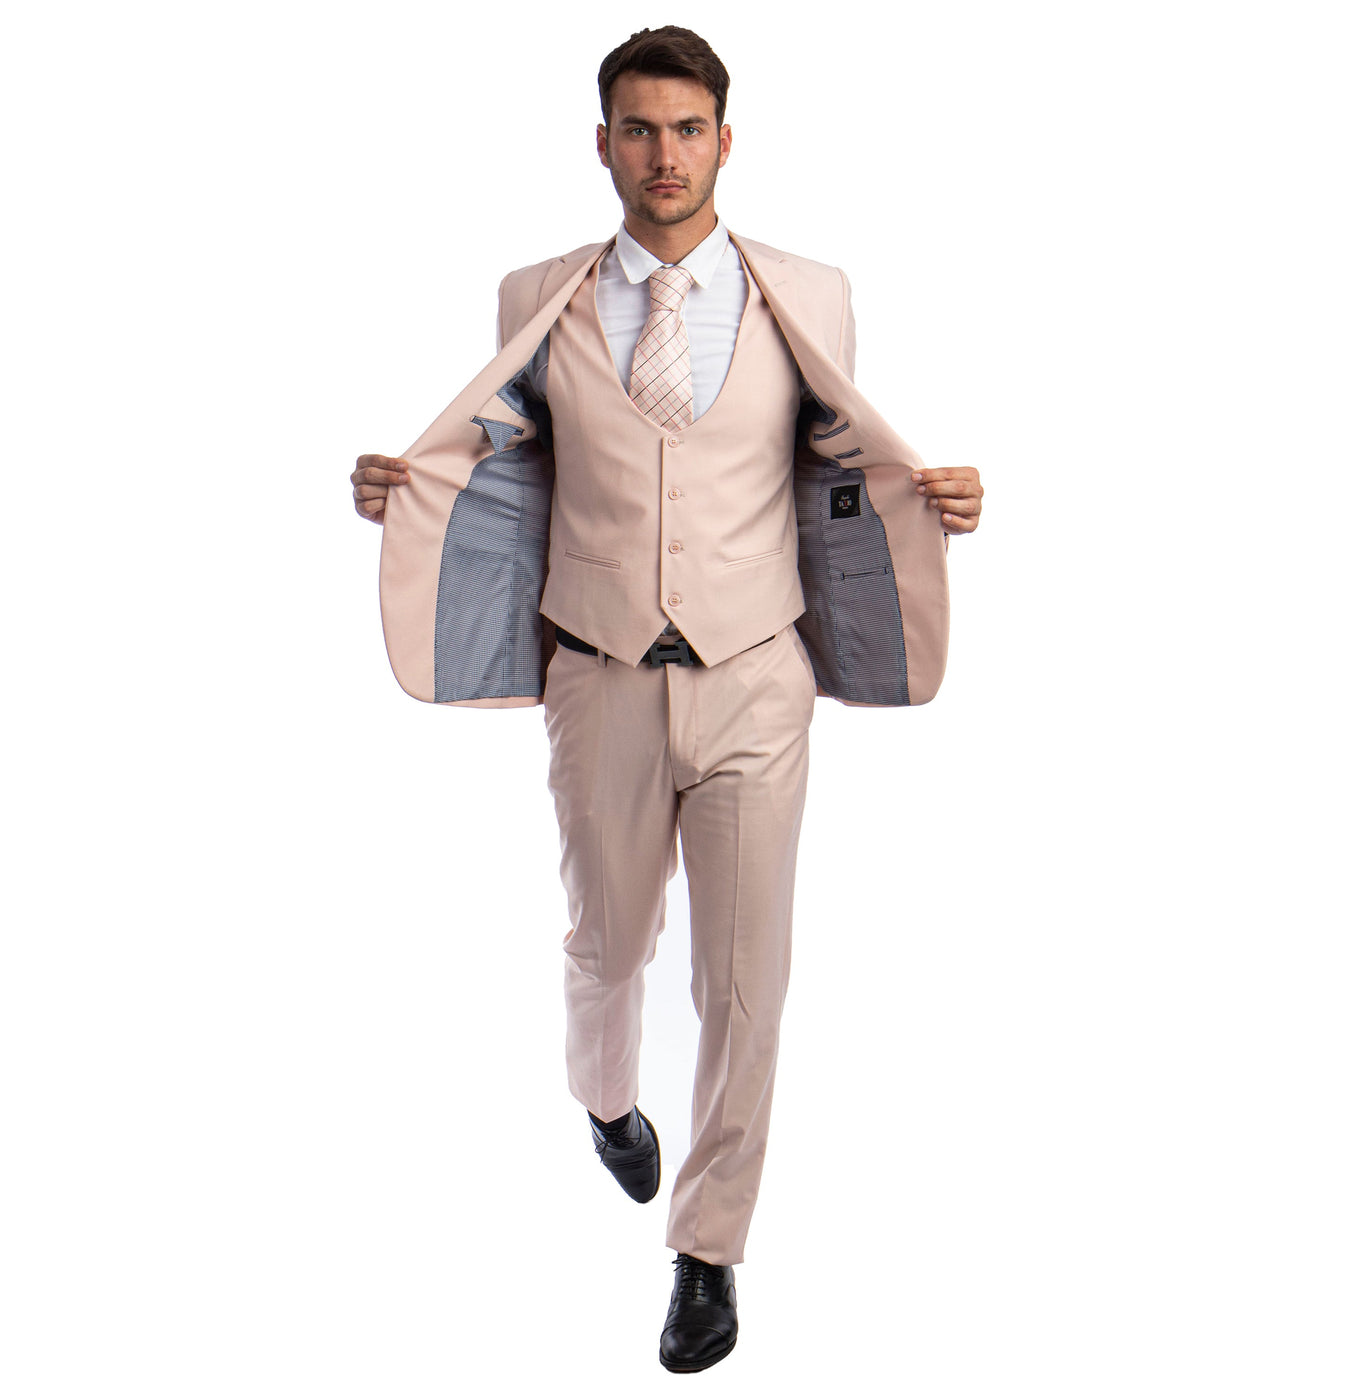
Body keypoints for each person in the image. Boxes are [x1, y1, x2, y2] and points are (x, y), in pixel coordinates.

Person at [349, 25, 983, 1373]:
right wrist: (400, 491)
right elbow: (491, 449)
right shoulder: (538, 294)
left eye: (687, 129)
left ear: (725, 141)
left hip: (759, 677)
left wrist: (938, 503)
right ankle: (606, 1101)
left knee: (746, 983)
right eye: (638, 129)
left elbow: (841, 457)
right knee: (606, 946)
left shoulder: (811, 293)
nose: (664, 155)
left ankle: (708, 1250)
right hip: (601, 677)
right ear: (603, 144)